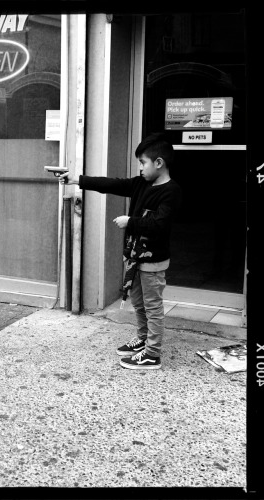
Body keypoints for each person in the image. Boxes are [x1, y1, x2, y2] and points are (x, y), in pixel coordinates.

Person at [60, 133, 182, 370]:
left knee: (153, 305)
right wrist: (77, 179)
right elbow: (112, 184)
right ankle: (144, 338)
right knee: (138, 301)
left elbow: (160, 224)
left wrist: (130, 221)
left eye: (143, 162)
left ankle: (153, 354)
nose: (140, 168)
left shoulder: (172, 191)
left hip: (152, 261)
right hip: (133, 258)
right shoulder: (140, 184)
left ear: (159, 163)